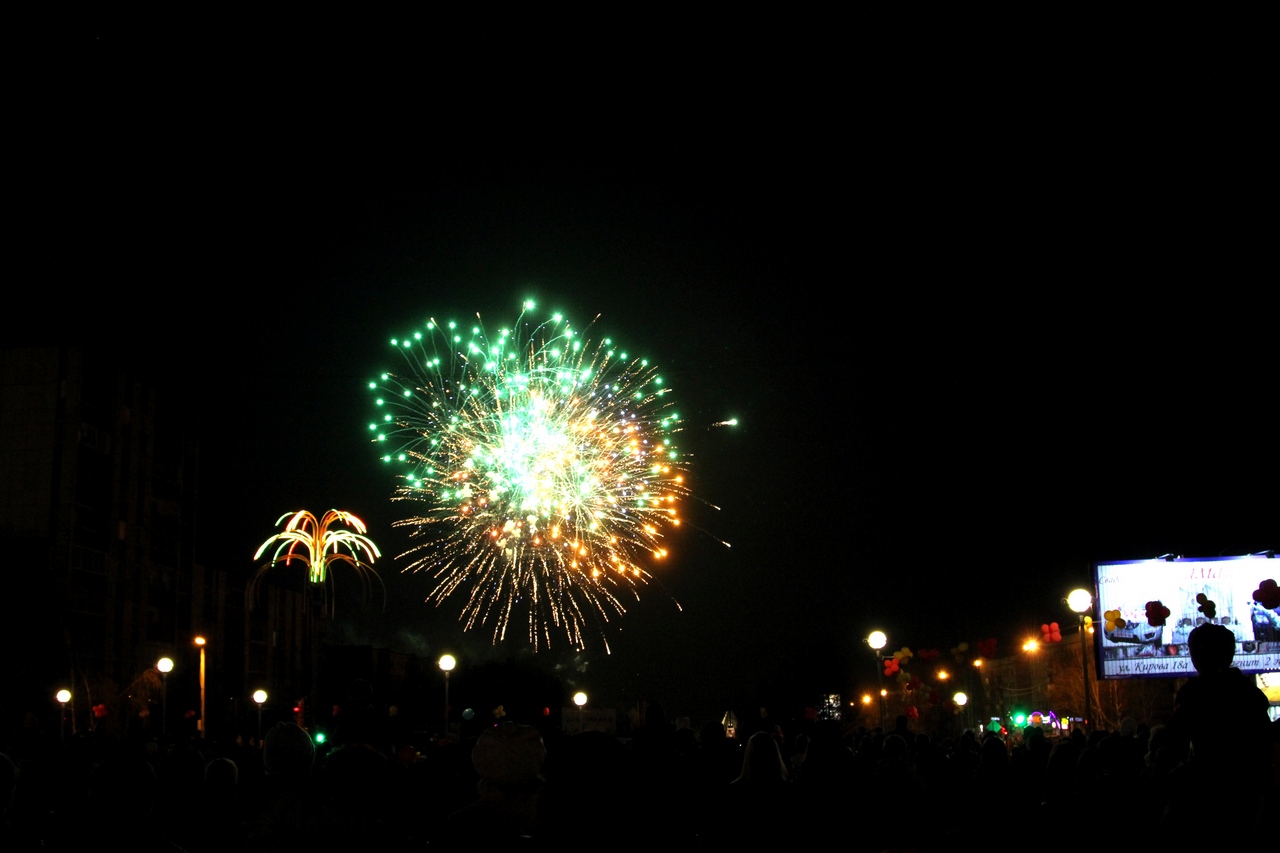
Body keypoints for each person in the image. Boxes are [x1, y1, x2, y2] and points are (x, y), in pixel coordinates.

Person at [1164, 623, 1274, 819]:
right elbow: (1264, 746)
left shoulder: (1194, 695)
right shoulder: (1249, 694)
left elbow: (1172, 745)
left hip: (1208, 796)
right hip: (1247, 794)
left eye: (1196, 651)